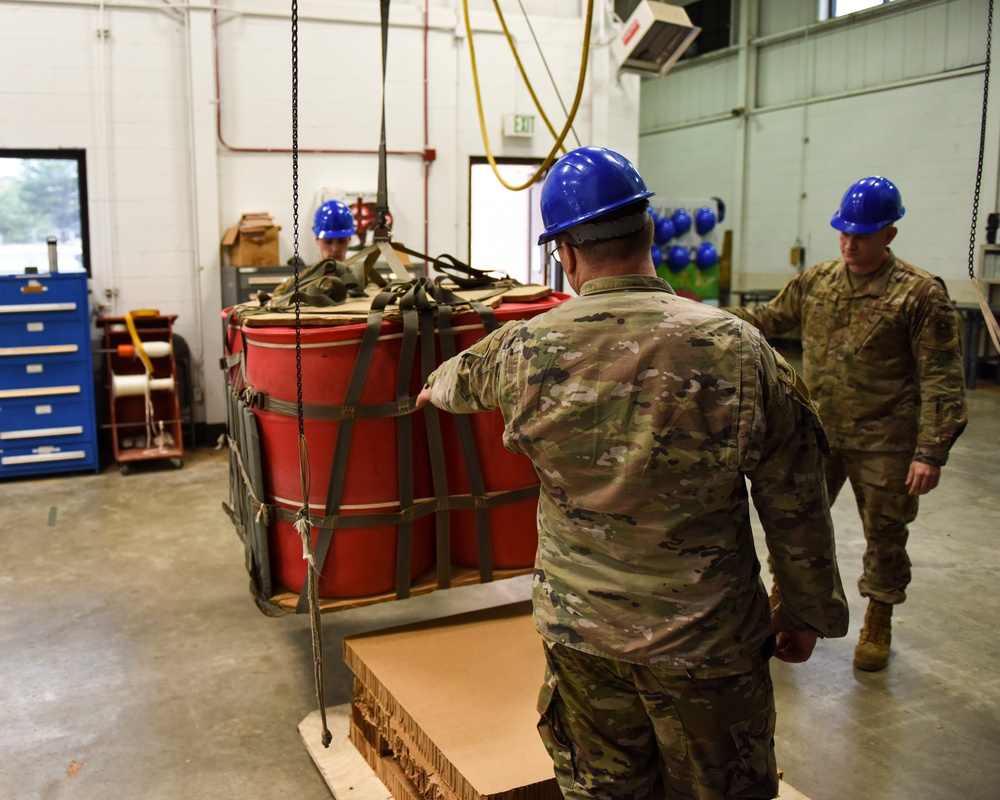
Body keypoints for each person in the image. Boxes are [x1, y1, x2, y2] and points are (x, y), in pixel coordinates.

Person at [416, 146, 849, 800]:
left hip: (582, 639)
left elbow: (451, 383)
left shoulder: (524, 347)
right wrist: (804, 612)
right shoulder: (738, 348)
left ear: (564, 252)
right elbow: (797, 502)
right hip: (708, 644)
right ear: (649, 231)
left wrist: (433, 387)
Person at [727, 176, 968, 672]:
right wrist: (697, 317)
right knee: (796, 527)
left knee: (885, 534)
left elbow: (942, 378)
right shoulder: (817, 282)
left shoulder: (919, 295)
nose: (850, 243)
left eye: (862, 234)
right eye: (844, 232)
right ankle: (786, 606)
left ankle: (878, 617)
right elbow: (766, 320)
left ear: (890, 234)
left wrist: (930, 452)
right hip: (819, 435)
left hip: (887, 442)